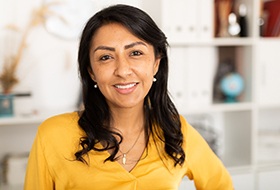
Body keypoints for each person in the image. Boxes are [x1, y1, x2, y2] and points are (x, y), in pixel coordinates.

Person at [24, 4, 233, 190]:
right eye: (106, 57)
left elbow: (221, 184)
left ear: (156, 64)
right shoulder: (52, 135)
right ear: (91, 71)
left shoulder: (176, 131)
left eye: (135, 53)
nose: (123, 71)